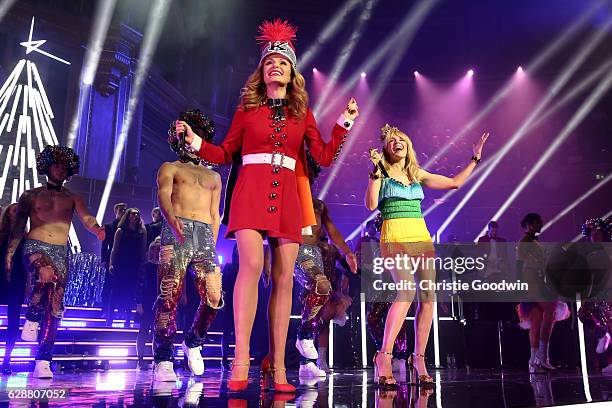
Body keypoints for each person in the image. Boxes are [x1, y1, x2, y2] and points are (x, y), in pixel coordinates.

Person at [176, 19, 358, 392]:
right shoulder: (247, 108)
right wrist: (195, 142)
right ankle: (240, 361)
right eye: (269, 60)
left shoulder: (302, 114)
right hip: (250, 192)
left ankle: (276, 369)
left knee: (284, 279)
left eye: (283, 61)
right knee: (251, 266)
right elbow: (225, 153)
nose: (276, 64)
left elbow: (322, 157)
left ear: (293, 73)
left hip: (288, 197)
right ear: (262, 71)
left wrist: (343, 125)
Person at [365, 124, 489, 387]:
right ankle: (384, 356)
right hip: (395, 234)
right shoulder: (382, 173)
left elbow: (455, 183)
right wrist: (374, 175)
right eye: (391, 140)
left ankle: (418, 358)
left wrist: (475, 157)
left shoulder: (417, 174)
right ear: (386, 149)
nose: (397, 142)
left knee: (428, 298)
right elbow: (371, 205)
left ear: (408, 146)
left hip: (421, 237)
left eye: (401, 139)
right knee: (406, 291)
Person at [5, 145, 105, 378]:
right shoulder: (30, 195)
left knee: (56, 307)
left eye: (64, 167)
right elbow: (18, 228)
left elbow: (87, 217)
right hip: (34, 246)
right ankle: (31, 317)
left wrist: (97, 229)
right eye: (56, 165)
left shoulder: (73, 197)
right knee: (46, 273)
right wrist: (10, 255)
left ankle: (43, 360)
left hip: (61, 251)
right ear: (47, 167)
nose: (60, 170)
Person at [153, 109, 223, 381]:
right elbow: (163, 196)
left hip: (205, 235)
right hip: (177, 230)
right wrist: (171, 221)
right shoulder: (169, 167)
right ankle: (163, 358)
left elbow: (216, 214)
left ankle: (194, 341)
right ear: (177, 140)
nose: (191, 143)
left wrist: (212, 242)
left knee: (214, 297)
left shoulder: (214, 177)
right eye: (185, 138)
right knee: (169, 295)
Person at [293, 151, 357, 378]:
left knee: (317, 308)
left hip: (318, 257)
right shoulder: (286, 197)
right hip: (297, 251)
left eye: (309, 173)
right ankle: (304, 342)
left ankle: (308, 362)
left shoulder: (319, 206)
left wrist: (348, 252)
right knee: (318, 296)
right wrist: (269, 259)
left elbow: (333, 231)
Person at [516, 213, 569, 373]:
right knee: (550, 310)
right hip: (531, 283)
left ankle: (535, 360)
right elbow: (520, 265)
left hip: (538, 282)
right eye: (538, 223)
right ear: (530, 225)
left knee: (537, 319)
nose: (541, 225)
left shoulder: (534, 241)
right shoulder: (524, 242)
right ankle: (542, 356)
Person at [576, 218, 612, 369]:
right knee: (583, 313)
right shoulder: (590, 256)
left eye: (598, 233)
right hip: (598, 292)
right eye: (592, 234)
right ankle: (602, 335)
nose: (595, 236)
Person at [108, 208, 147, 328]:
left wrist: (142, 265)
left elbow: (143, 250)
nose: (135, 215)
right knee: (115, 291)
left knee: (131, 293)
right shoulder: (120, 231)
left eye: (137, 213)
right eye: (133, 213)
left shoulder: (142, 231)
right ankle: (109, 320)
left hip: (134, 265)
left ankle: (127, 321)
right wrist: (111, 263)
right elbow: (114, 249)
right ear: (128, 216)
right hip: (121, 264)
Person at [0, 203, 27, 374]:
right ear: (8, 214)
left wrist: (29, 284)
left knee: (14, 319)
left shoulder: (24, 237)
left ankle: (7, 360)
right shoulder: (1, 234)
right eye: (14, 210)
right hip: (0, 277)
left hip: (17, 279)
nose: (16, 213)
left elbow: (26, 262)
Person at [136, 234, 161, 370]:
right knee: (144, 331)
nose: (156, 252)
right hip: (146, 301)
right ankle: (140, 360)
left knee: (157, 332)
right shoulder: (145, 266)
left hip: (159, 301)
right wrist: (139, 303)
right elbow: (139, 285)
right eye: (154, 249)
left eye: (158, 249)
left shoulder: (164, 266)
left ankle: (156, 359)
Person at [101, 202, 126, 317]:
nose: (123, 212)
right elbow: (104, 244)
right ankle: (105, 309)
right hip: (111, 259)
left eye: (125, 210)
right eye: (121, 210)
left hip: (124, 259)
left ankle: (119, 310)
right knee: (108, 285)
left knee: (121, 286)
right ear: (116, 211)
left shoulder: (127, 227)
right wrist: (104, 260)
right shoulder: (109, 226)